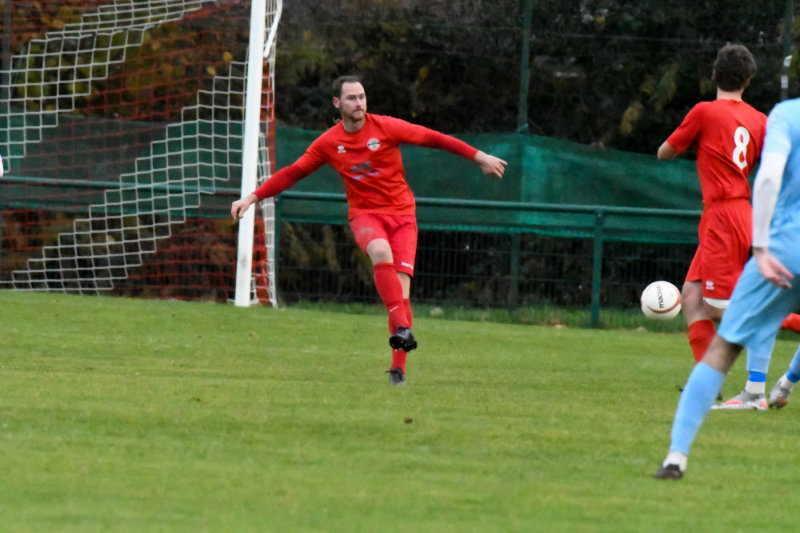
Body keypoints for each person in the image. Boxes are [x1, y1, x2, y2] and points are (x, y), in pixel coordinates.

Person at [230, 75, 507, 385]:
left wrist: (479, 157)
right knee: (379, 251)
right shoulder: (329, 143)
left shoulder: (386, 127)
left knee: (401, 291)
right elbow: (293, 172)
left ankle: (398, 370)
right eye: (352, 98)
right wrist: (253, 197)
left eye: (362, 96)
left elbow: (434, 138)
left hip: (403, 215)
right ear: (337, 103)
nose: (359, 102)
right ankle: (403, 328)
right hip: (365, 215)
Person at [654, 94, 800, 479]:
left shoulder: (781, 114)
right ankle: (749, 387)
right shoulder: (760, 119)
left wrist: (762, 244)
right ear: (748, 79)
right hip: (731, 214)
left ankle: (677, 456)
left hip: (742, 220)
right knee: (691, 294)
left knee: (727, 317)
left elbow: (767, 176)